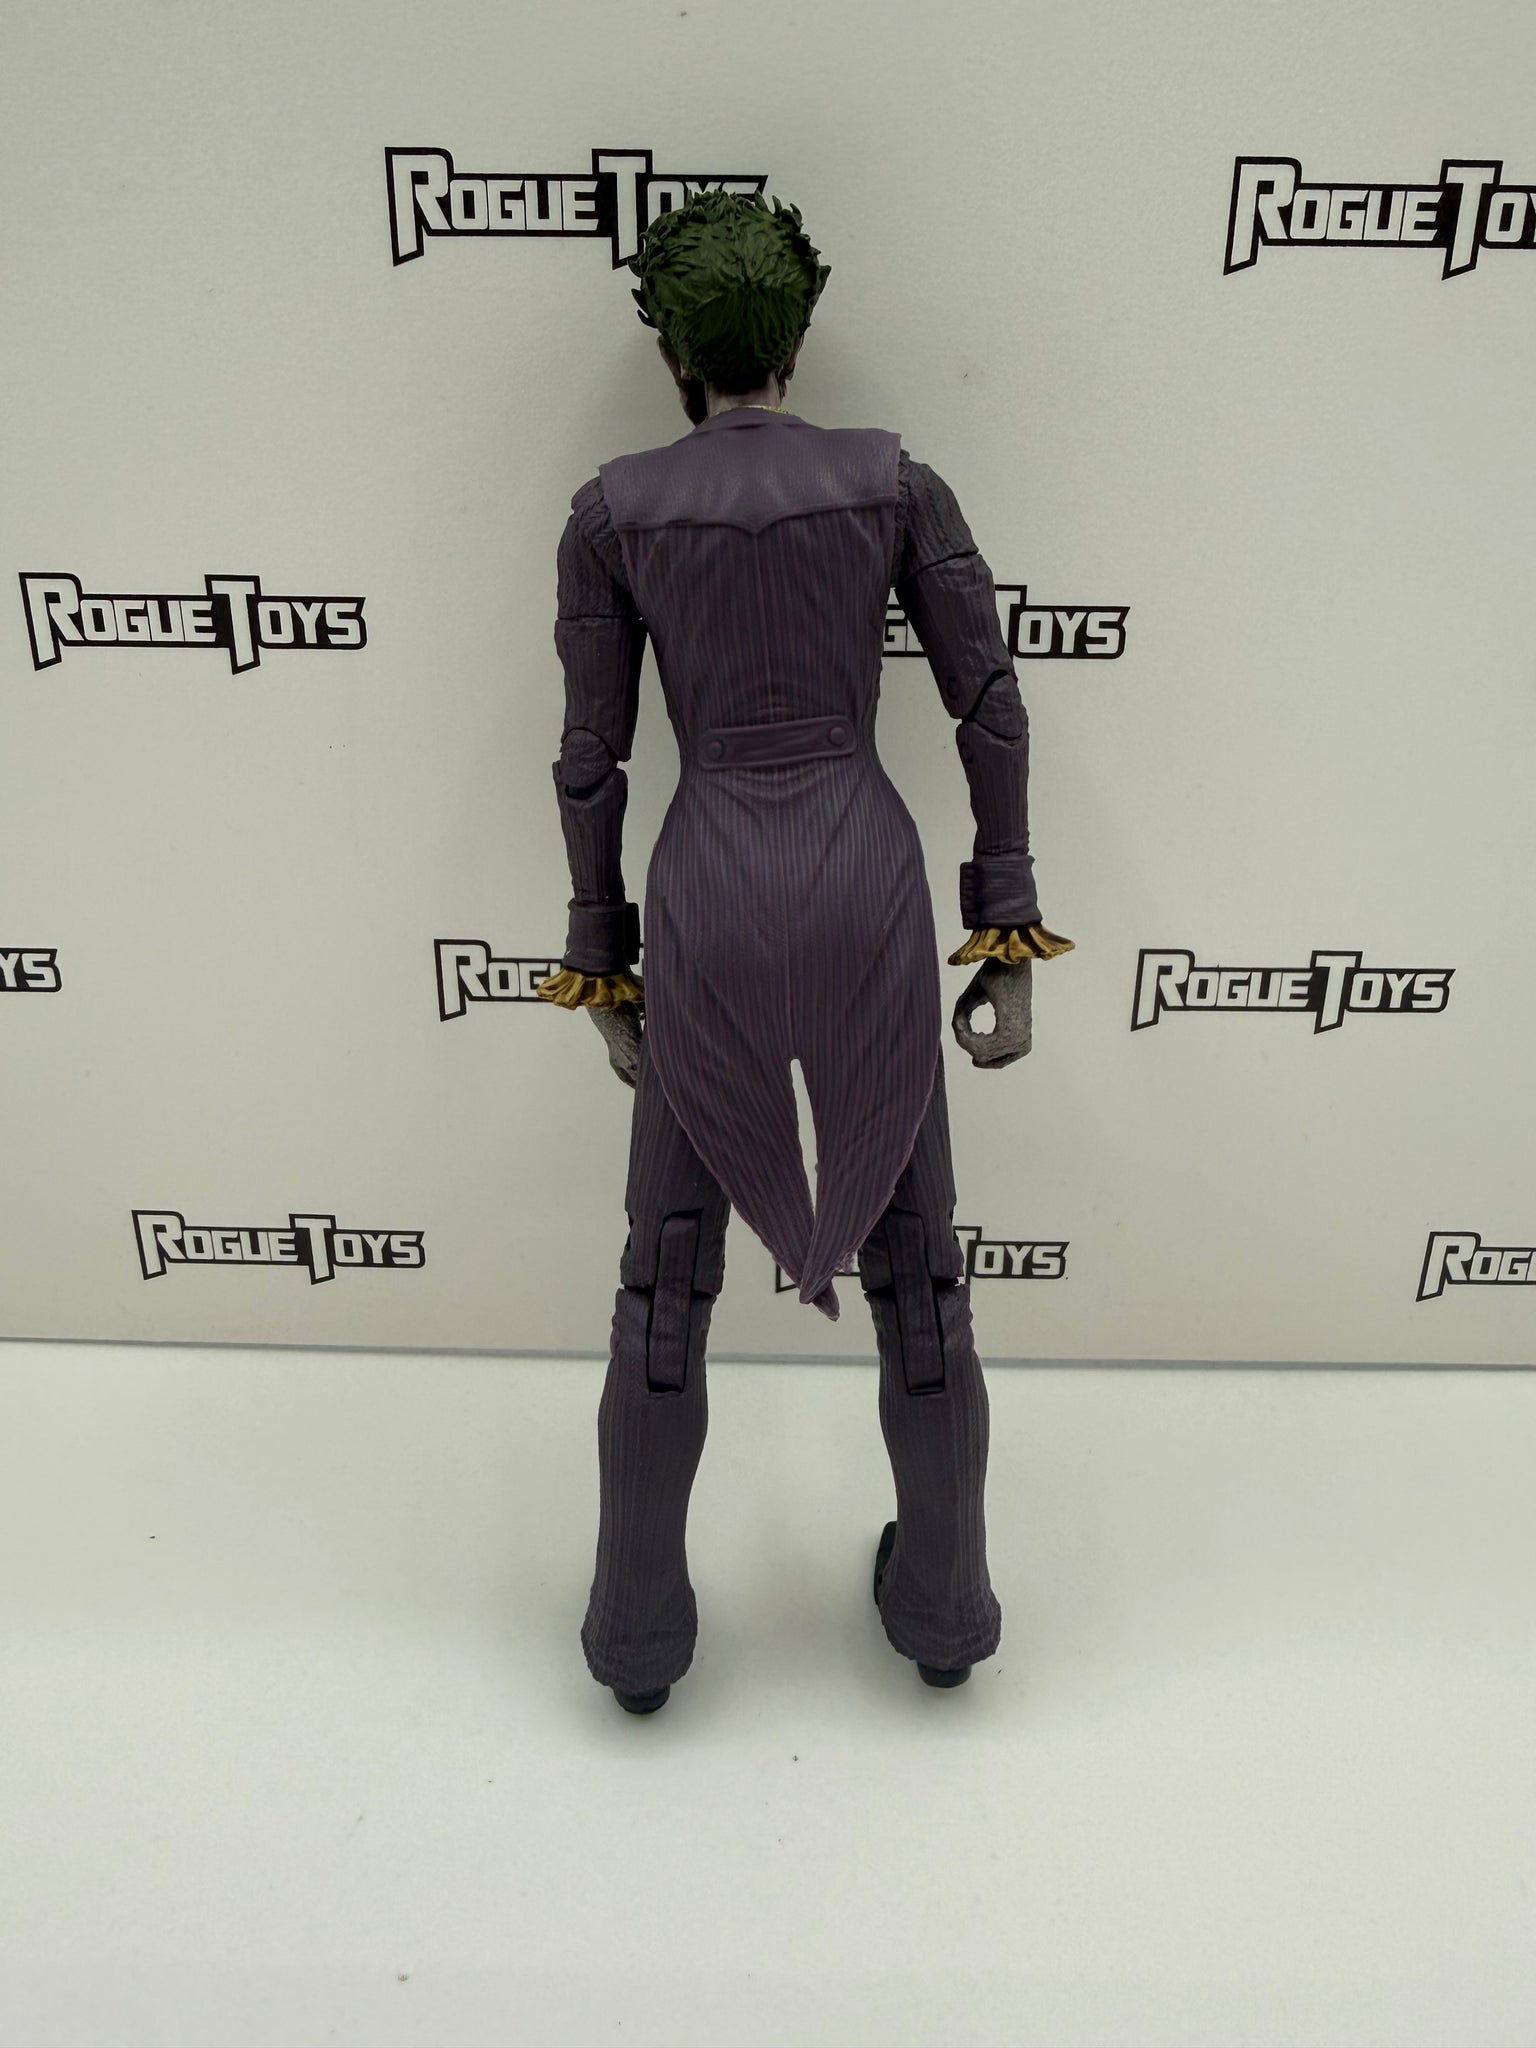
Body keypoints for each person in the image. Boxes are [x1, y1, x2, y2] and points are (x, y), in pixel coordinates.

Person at [537, 189, 1072, 1715]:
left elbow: (591, 759)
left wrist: (602, 961)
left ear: (669, 350)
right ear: (801, 332)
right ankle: (947, 1607)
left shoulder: (611, 514)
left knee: (663, 1283)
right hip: (862, 873)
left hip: (710, 877)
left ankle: (638, 1633)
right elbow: (991, 707)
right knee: (924, 1278)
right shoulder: (896, 484)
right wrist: (1006, 930)